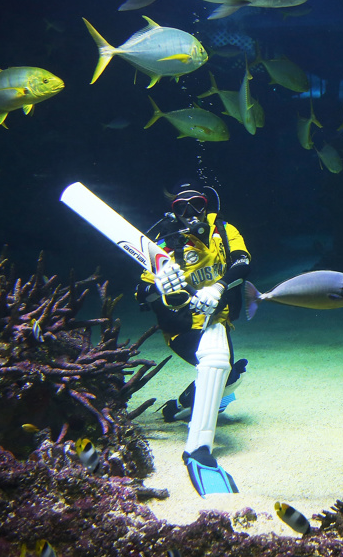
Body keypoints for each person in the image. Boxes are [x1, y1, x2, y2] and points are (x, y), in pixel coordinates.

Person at [134, 182, 251, 496]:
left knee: (232, 374)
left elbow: (242, 262)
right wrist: (159, 285)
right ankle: (198, 448)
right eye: (181, 208)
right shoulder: (164, 247)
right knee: (216, 362)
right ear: (173, 212)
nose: (190, 214)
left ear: (207, 204)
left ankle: (183, 404)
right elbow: (140, 295)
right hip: (182, 329)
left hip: (217, 319)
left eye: (196, 204)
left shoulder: (223, 231)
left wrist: (219, 287)